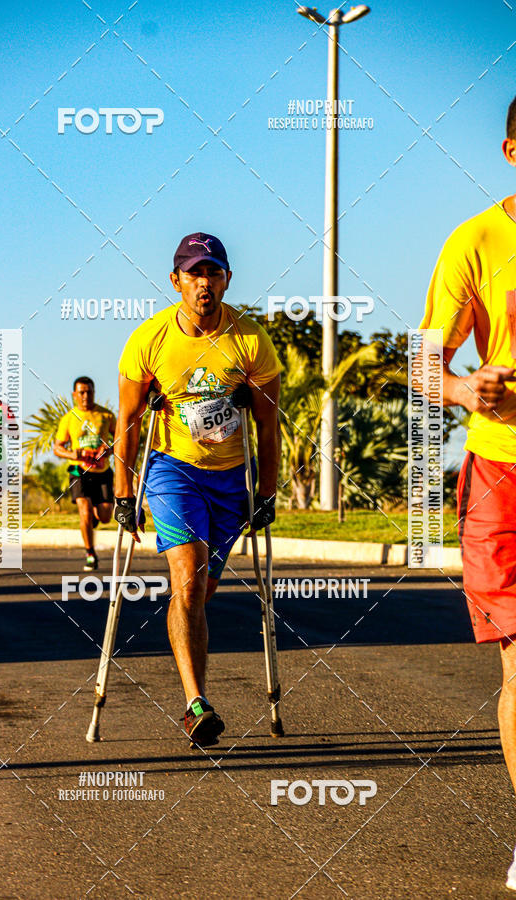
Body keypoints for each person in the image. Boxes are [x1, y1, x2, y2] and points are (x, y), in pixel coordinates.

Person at [115, 232, 282, 747]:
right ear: (176, 281)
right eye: (193, 273)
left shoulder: (251, 341)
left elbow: (268, 426)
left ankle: (194, 680)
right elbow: (126, 422)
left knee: (203, 589)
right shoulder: (150, 339)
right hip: (173, 470)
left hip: (231, 478)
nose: (203, 283)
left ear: (228, 278)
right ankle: (196, 704)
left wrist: (267, 492)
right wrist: (124, 493)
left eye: (213, 272)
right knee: (188, 578)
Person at [420, 96, 516, 891]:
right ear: (512, 149)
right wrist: (463, 388)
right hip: (502, 473)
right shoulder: (476, 243)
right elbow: (424, 365)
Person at [53, 377, 116, 571]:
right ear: (75, 395)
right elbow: (57, 448)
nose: (85, 396)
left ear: (94, 392)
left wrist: (109, 449)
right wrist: (75, 453)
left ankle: (94, 518)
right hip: (76, 469)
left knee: (105, 515)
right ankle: (90, 553)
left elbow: (119, 439)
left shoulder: (106, 415)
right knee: (84, 509)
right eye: (81, 392)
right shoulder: (69, 418)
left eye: (89, 391)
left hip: (102, 469)